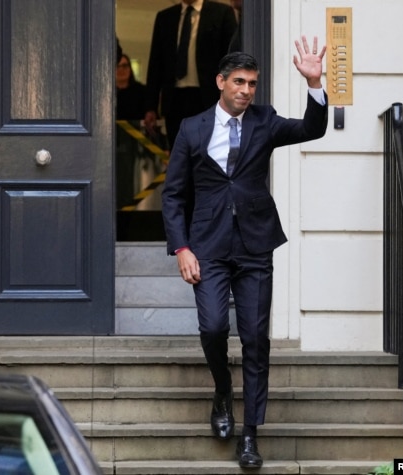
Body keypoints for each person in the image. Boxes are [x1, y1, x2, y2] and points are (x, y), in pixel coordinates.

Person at [161, 37, 328, 468]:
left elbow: (312, 129)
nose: (246, 90)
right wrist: (181, 247)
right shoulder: (192, 128)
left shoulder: (265, 121)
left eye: (252, 83)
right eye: (239, 82)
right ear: (220, 82)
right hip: (208, 246)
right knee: (215, 327)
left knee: (255, 340)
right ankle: (222, 392)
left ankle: (250, 435)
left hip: (255, 245)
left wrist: (315, 84)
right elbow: (174, 195)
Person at [144, 0, 237, 150]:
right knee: (179, 153)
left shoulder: (221, 13)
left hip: (209, 98)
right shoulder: (165, 17)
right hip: (175, 99)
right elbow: (156, 64)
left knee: (209, 153)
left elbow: (232, 59)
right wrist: (151, 106)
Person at [116, 54, 147, 121]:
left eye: (124, 66)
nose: (121, 69)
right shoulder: (104, 94)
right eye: (117, 66)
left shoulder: (142, 92)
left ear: (130, 68)